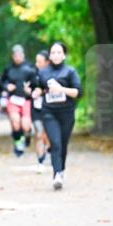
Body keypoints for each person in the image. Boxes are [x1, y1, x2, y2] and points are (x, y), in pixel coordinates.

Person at [31, 41, 82, 190]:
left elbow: (78, 92)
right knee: (55, 143)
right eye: (53, 52)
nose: (56, 55)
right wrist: (37, 92)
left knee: (63, 144)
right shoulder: (43, 72)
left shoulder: (70, 72)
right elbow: (39, 88)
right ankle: (57, 174)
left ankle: (61, 169)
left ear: (64, 55)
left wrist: (61, 89)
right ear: (50, 55)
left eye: (59, 52)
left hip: (66, 113)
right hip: (49, 112)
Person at [1, 45, 35, 157]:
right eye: (16, 55)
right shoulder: (8, 69)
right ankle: (18, 143)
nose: (18, 57)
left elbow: (36, 83)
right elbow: (1, 82)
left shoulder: (30, 68)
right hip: (13, 99)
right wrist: (7, 86)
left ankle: (27, 136)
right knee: (15, 123)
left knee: (25, 126)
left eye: (20, 55)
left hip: (26, 100)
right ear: (12, 56)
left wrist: (31, 90)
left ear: (23, 55)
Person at [31, 50, 51, 173]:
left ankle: (49, 150)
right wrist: (30, 92)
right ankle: (40, 160)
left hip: (49, 108)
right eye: (36, 61)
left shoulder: (53, 75)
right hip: (36, 109)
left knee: (47, 135)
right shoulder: (33, 75)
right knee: (39, 134)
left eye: (39, 61)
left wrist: (42, 91)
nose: (37, 64)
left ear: (47, 63)